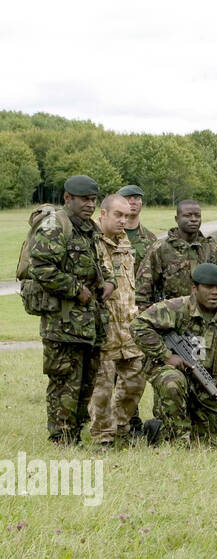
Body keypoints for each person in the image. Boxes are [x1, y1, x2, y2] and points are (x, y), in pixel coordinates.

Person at [26, 175, 111, 445]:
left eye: (93, 199)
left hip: (89, 323)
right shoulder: (54, 227)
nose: (90, 204)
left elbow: (97, 264)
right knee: (64, 382)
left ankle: (75, 434)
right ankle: (61, 439)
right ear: (67, 198)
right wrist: (76, 289)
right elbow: (41, 269)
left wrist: (108, 281)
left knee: (86, 381)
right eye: (84, 199)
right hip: (62, 324)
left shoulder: (89, 228)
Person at [132, 263, 217, 444]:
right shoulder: (174, 308)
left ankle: (157, 428)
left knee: (216, 441)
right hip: (174, 375)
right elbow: (137, 326)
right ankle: (177, 441)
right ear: (194, 288)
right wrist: (166, 355)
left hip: (206, 383)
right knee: (173, 381)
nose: (215, 293)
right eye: (208, 287)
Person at [88, 194, 146, 448]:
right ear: (103, 214)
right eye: (118, 215)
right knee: (102, 387)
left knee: (135, 378)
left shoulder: (124, 243)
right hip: (103, 327)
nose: (124, 220)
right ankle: (103, 437)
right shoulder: (90, 243)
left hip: (128, 327)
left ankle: (121, 428)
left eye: (126, 215)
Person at [136, 200, 215, 308]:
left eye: (197, 216)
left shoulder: (209, 247)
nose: (193, 219)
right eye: (187, 215)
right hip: (170, 317)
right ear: (177, 219)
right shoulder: (160, 248)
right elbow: (142, 292)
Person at [116, 185, 157, 262]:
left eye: (136, 198)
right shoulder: (108, 236)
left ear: (141, 203)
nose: (133, 202)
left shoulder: (151, 239)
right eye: (127, 198)